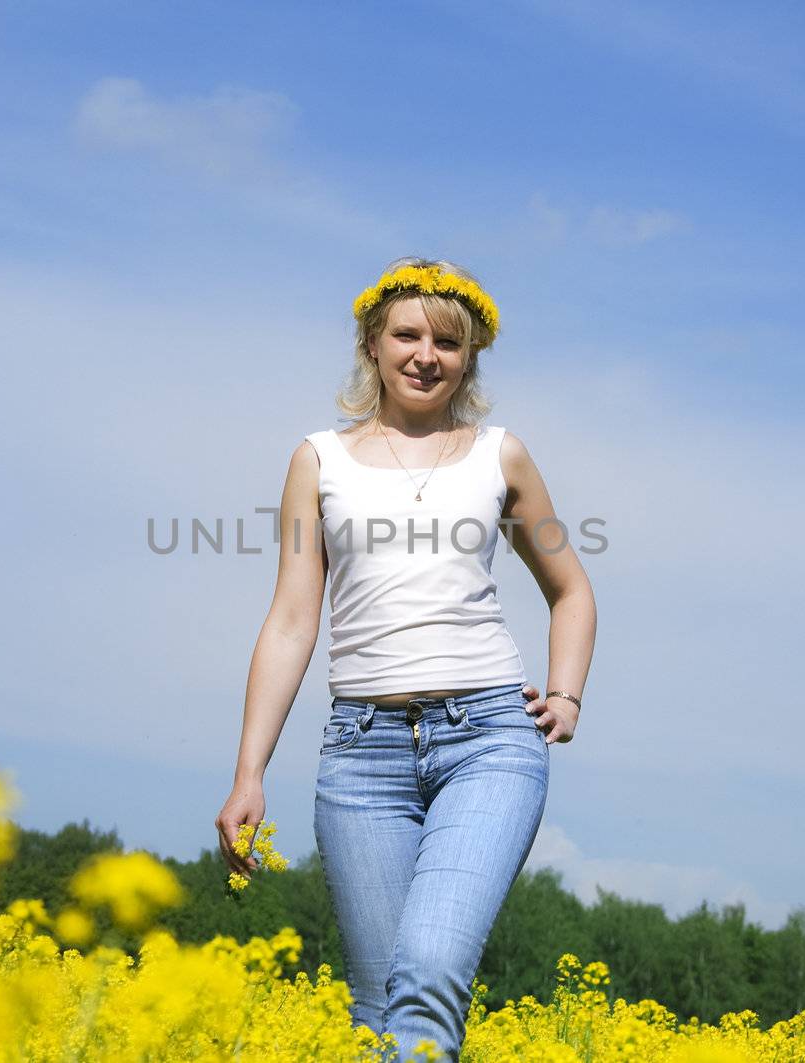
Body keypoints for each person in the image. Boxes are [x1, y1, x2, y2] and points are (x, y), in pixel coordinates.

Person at [214, 256, 597, 1062]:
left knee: (427, 971)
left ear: (470, 357)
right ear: (372, 343)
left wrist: (566, 695)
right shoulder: (317, 459)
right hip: (360, 755)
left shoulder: (503, 456)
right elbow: (290, 619)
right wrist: (250, 771)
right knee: (377, 1005)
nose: (427, 355)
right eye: (408, 335)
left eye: (448, 343)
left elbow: (571, 588)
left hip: (488, 739)